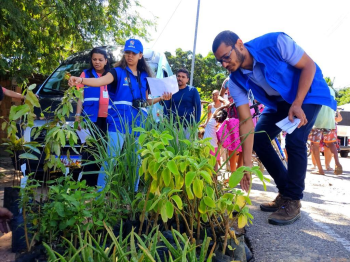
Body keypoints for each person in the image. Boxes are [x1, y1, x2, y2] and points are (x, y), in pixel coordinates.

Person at [212, 31, 336, 226]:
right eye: (221, 62)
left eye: (226, 57)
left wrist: (297, 102)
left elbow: (309, 65)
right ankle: (285, 192)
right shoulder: (235, 80)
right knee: (260, 138)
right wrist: (246, 165)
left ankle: (293, 201)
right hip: (279, 102)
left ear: (239, 44)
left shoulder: (275, 43)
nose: (225, 64)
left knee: (295, 140)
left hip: (307, 93)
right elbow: (245, 121)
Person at [68, 39, 172, 191]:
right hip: (117, 123)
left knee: (135, 161)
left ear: (140, 55)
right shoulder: (116, 72)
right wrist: (81, 80)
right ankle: (100, 196)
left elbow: (146, 101)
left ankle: (132, 194)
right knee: (111, 159)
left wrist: (162, 98)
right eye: (127, 52)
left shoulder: (145, 76)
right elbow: (100, 81)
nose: (130, 56)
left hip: (138, 124)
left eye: (133, 53)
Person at [309, 87, 342, 175]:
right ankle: (337, 163)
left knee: (314, 145)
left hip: (317, 120)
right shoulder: (331, 90)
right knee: (331, 143)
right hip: (330, 120)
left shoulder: (316, 86)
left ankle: (320, 170)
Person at [217, 78, 243, 172]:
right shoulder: (227, 80)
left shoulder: (247, 75)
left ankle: (240, 173)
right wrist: (225, 102)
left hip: (248, 112)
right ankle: (233, 174)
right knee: (233, 144)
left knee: (245, 144)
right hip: (233, 113)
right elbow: (220, 96)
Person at [203, 101, 229, 171]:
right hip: (214, 146)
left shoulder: (212, 120)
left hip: (206, 144)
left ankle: (209, 178)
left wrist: (224, 106)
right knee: (215, 163)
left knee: (206, 162)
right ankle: (215, 178)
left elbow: (217, 110)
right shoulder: (221, 125)